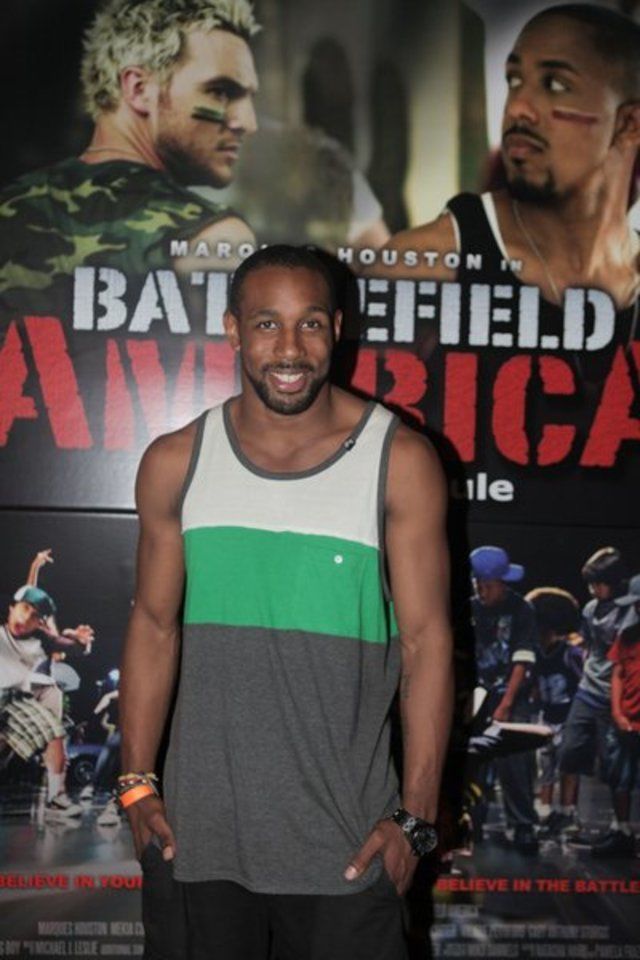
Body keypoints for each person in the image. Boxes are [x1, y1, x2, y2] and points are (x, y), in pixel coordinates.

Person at [119, 244, 454, 960]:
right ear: (234, 331)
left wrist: (416, 818)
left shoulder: (399, 461)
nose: (290, 349)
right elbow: (152, 626)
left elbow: (427, 645)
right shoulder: (176, 461)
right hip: (197, 845)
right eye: (267, 324)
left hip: (348, 849)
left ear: (338, 330)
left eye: (310, 324)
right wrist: (136, 785)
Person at [378, 4, 640, 346]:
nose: (517, 107)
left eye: (555, 84)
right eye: (514, 80)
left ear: (629, 124)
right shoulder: (426, 264)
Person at [0, 0, 260, 307]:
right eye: (220, 92)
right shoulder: (215, 239)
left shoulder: (9, 207)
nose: (248, 123)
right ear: (139, 89)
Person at [0, 579, 95, 819]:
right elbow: (29, 586)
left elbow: (71, 647)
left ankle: (56, 798)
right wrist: (35, 568)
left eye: (34, 617)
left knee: (54, 732)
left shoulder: (42, 637)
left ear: (40, 623)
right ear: (11, 608)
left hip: (19, 697)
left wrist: (80, 640)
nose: (25, 619)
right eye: (23, 609)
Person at [558, 547, 631, 854]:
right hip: (588, 691)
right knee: (569, 750)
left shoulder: (630, 611)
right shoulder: (590, 609)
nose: (593, 589)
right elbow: (589, 644)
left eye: (599, 583)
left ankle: (621, 829)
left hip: (616, 696)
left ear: (614, 582)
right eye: (591, 584)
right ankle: (567, 817)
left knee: (614, 766)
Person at [469, 545, 539, 853]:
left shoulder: (522, 609)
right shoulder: (470, 609)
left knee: (514, 762)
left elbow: (522, 660)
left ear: (502, 583)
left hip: (512, 695)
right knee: (473, 762)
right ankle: (472, 821)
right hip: (476, 696)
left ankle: (523, 825)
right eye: (478, 584)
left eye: (488, 585)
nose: (482, 591)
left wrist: (506, 703)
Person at [524, 587, 584, 838]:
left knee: (568, 766)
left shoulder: (570, 652)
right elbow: (535, 685)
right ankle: (546, 811)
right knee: (546, 766)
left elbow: (583, 684)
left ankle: (568, 813)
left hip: (568, 717)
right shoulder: (536, 652)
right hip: (547, 717)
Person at [606, 573, 640, 857]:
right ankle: (623, 832)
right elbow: (617, 674)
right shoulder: (627, 635)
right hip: (626, 722)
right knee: (620, 779)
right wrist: (617, 713)